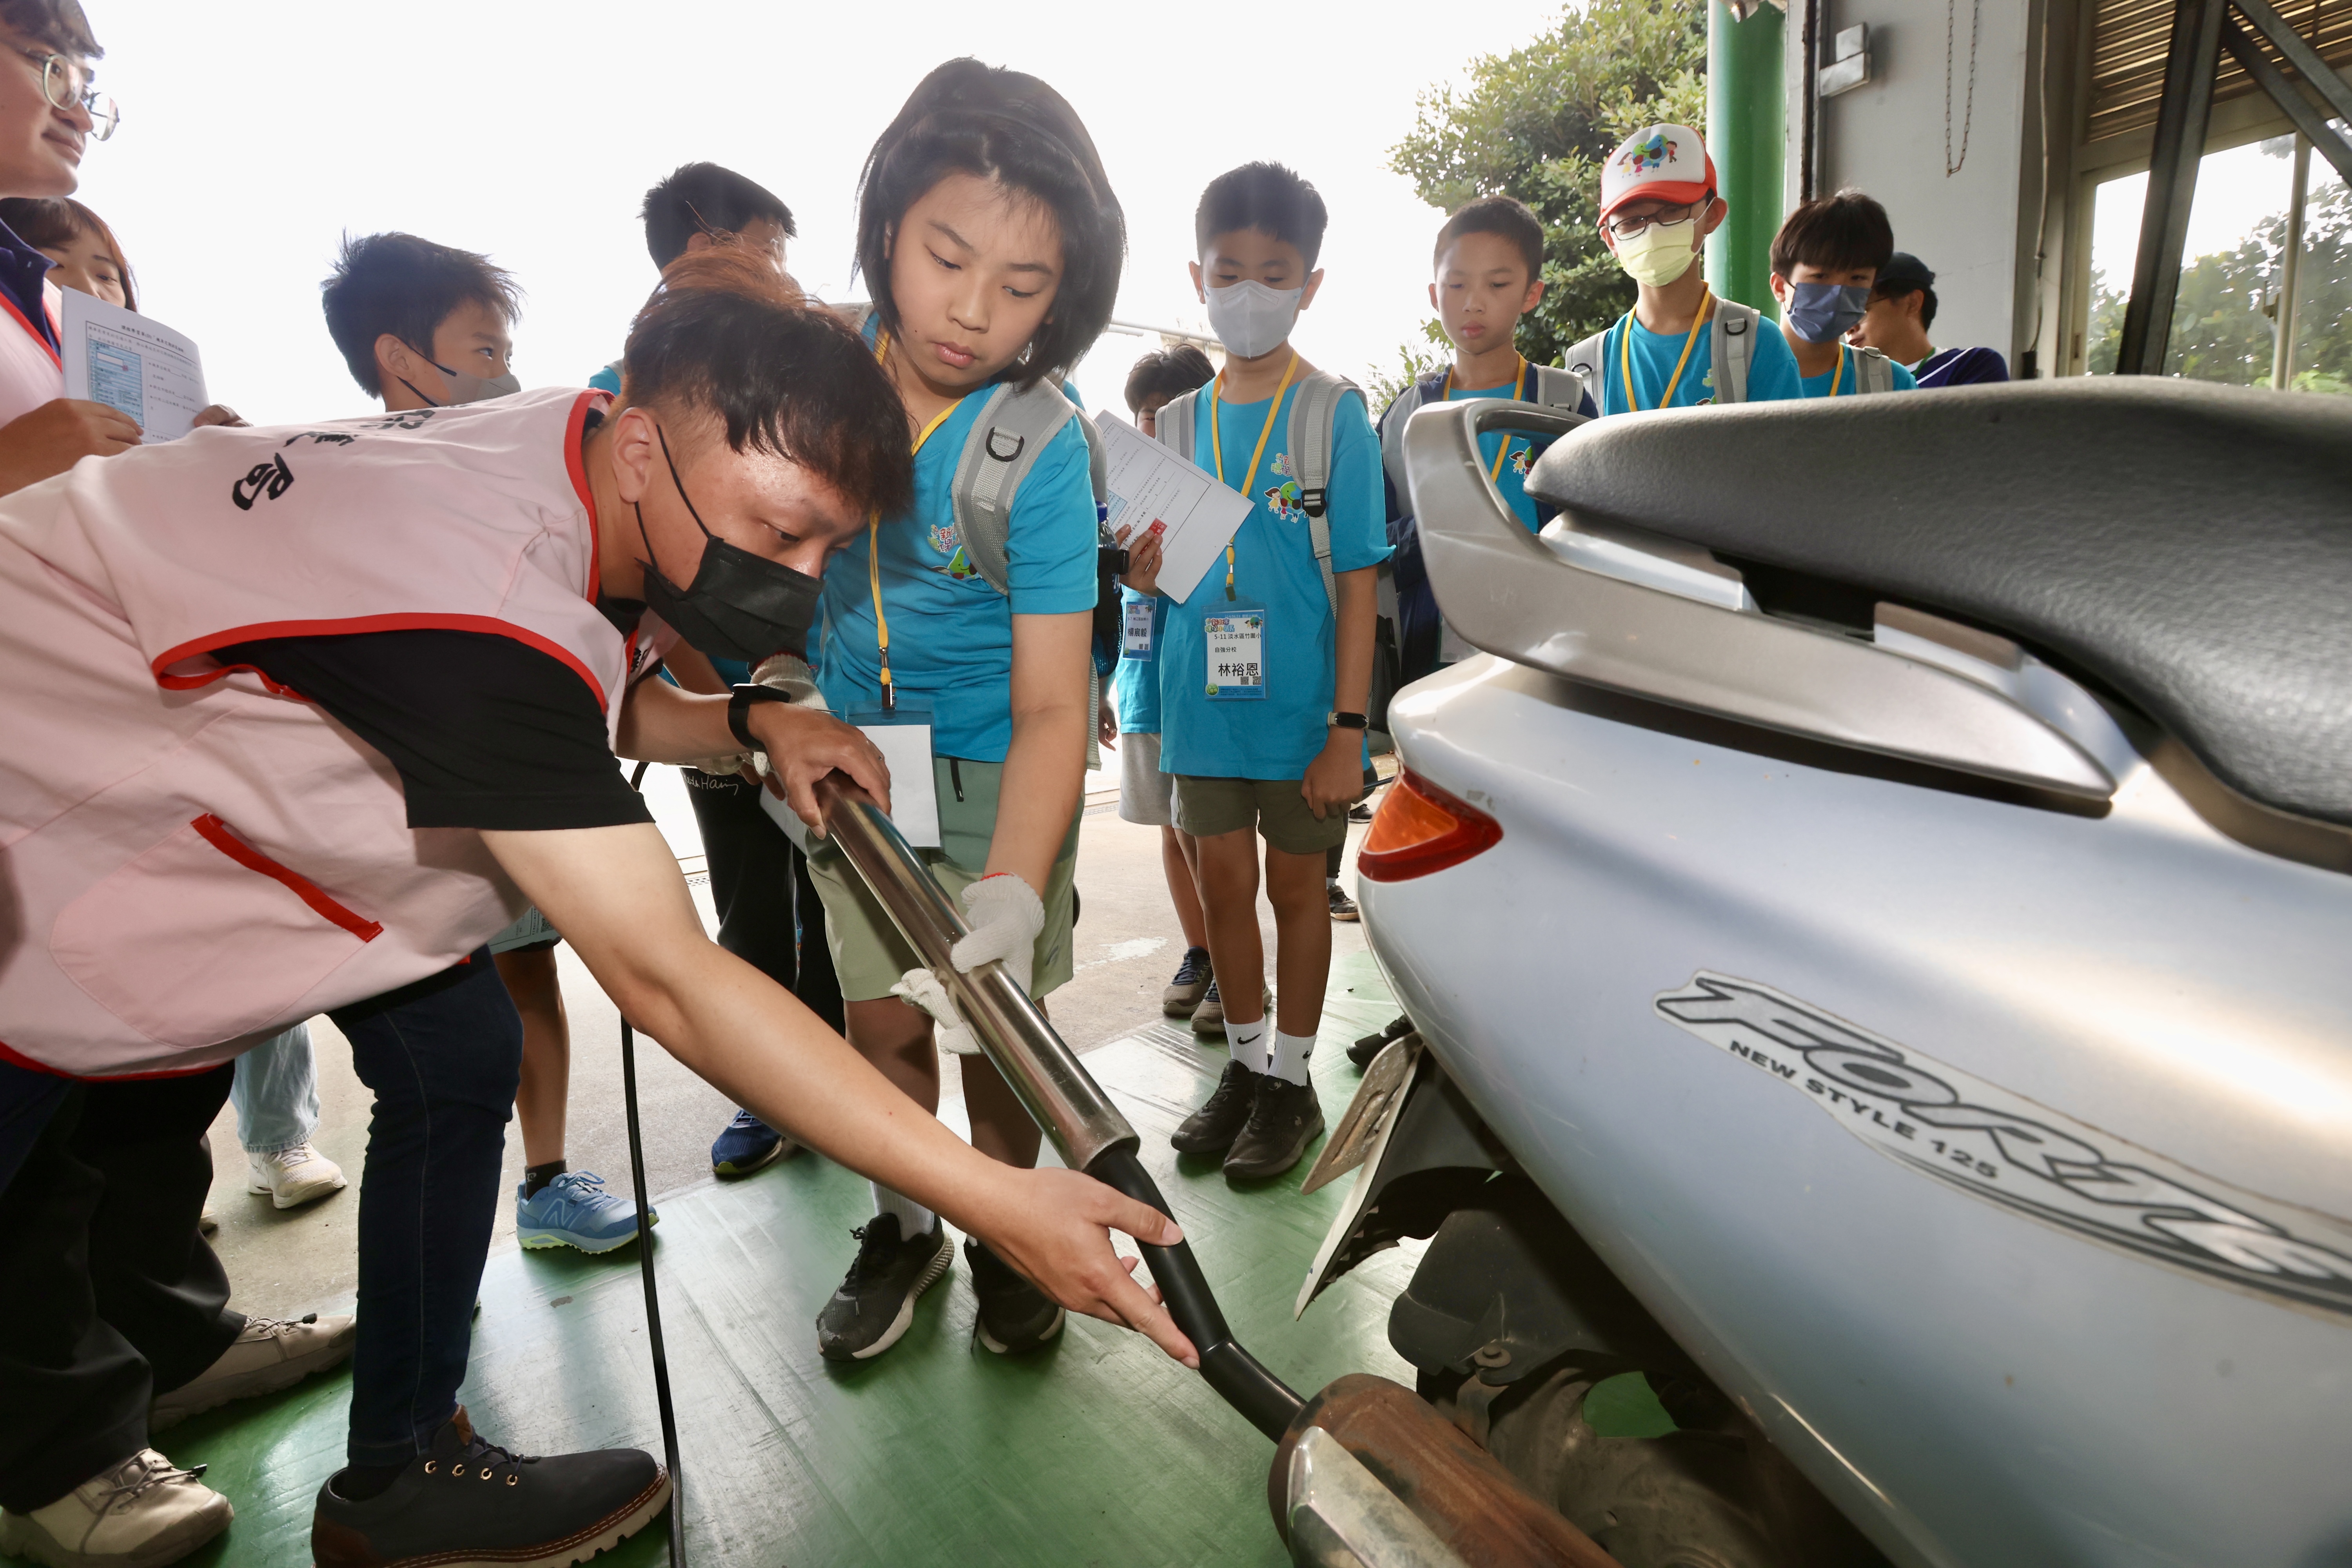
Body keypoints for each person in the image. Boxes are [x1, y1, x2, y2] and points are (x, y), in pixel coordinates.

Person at [0, 246, 1193, 1568]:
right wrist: (995, 1201)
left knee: (457, 1055)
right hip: (37, 794)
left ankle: (399, 1469)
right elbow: (669, 977)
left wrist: (747, 719)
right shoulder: (476, 591)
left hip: (157, 783)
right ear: (645, 449)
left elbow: (595, 685)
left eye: (825, 547)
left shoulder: (576, 443)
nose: (794, 580)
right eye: (779, 529)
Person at [800, 58, 1120, 1364]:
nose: (972, 310)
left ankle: (1009, 1230)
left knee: (998, 1028)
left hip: (997, 766)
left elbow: (1057, 705)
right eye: (945, 257)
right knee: (878, 1021)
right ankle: (907, 1225)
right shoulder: (802, 372)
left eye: (1023, 287)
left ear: (1067, 299)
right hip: (845, 758)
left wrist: (1019, 886)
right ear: (886, 229)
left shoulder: (1045, 446)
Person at [323, 230, 666, 1254]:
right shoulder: (340, 482)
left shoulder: (525, 482)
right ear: (398, 358)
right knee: (442, 1070)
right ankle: (436, 1299)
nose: (505, 375)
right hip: (394, 829)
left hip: (506, 796)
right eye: (481, 353)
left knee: (524, 984)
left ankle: (548, 1181)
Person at [1125, 161, 1388, 1180]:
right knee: (1222, 890)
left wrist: (1346, 731)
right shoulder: (1173, 428)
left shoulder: (1335, 417)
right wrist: (1139, 572)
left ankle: (1291, 1082)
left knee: (1294, 891)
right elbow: (1158, 582)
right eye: (1228, 272)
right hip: (1201, 709)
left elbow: (1361, 586)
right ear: (1196, 276)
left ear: (1310, 283)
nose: (1247, 294)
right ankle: (1241, 1065)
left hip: (1299, 719)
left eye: (1272, 274)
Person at [593, 163, 845, 1182]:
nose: (783, 276)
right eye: (768, 251)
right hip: (712, 704)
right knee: (749, 904)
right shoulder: (630, 394)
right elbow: (648, 592)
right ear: (705, 241)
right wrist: (727, 709)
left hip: (825, 698)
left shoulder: (803, 373)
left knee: (844, 896)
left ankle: (837, 1081)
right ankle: (768, 1095)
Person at [1112, 345, 1218, 1024]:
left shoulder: (1215, 495)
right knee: (1169, 829)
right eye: (1140, 417)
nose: (1147, 430)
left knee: (1206, 830)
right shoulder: (1117, 491)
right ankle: (1201, 952)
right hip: (1141, 683)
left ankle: (1237, 968)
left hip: (1200, 685)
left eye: (1158, 415)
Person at [1564, 124, 1804, 415]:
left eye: (1671, 211)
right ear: (1610, 239)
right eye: (1632, 221)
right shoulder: (1587, 366)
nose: (1652, 231)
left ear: (1711, 215)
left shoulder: (1758, 347)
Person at [588, 162, 795, 397]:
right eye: (770, 254)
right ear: (705, 252)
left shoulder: (794, 360)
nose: (783, 277)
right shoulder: (615, 389)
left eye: (783, 262)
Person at [1767, 190, 1916, 397]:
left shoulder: (1890, 383)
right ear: (1780, 287)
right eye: (1820, 276)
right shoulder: (1736, 377)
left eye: (1857, 278)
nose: (1838, 293)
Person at [1848, 250, 2010, 387]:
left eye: (1861, 312)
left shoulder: (1970, 366)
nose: (1848, 327)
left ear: (1913, 303)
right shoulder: (1847, 386)